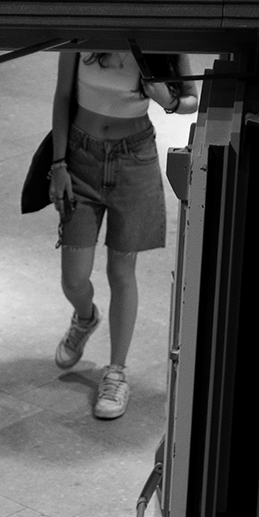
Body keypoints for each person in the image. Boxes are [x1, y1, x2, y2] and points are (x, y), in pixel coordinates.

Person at [48, 49, 199, 419]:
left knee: (121, 272)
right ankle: (85, 317)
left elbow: (192, 100)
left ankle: (116, 372)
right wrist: (58, 163)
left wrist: (168, 101)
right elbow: (63, 96)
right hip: (81, 158)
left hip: (134, 158)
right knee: (74, 277)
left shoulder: (161, 40)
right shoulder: (84, 33)